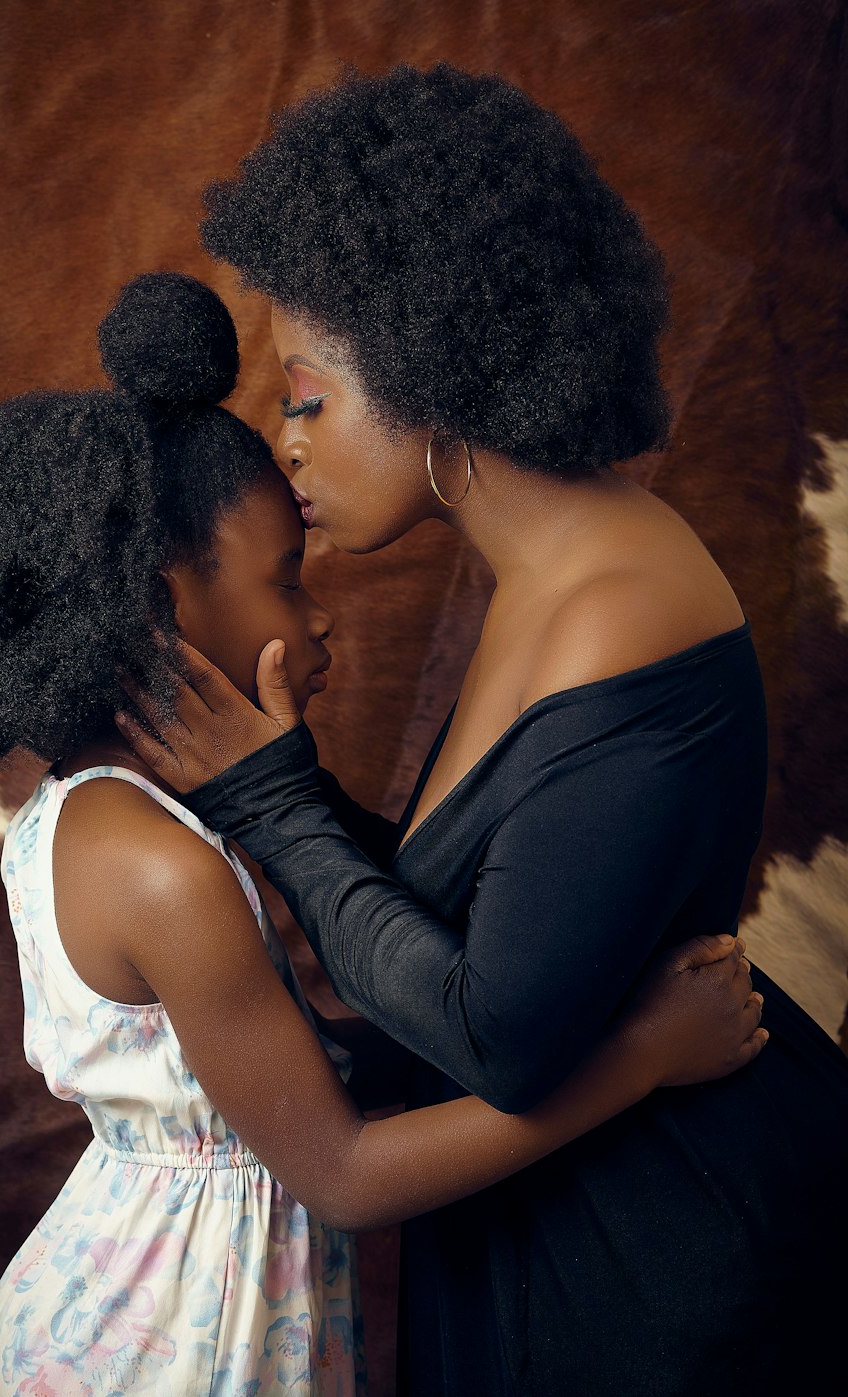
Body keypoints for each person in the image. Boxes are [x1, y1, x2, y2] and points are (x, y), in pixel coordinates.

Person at [0, 272, 762, 1396]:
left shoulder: (93, 813)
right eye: (285, 580)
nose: (319, 613)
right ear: (158, 609)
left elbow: (296, 1068)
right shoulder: (156, 866)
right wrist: (642, 1054)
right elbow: (340, 1170)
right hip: (168, 1343)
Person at [116, 68, 848, 1395]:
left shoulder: (614, 610)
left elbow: (497, 1030)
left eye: (308, 395)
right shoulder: (558, 576)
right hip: (566, 1231)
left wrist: (280, 805)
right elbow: (479, 919)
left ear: (429, 371)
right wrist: (268, 792)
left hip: (662, 1280)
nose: (285, 440)